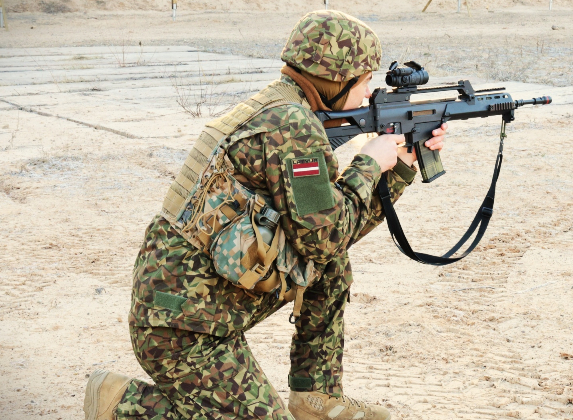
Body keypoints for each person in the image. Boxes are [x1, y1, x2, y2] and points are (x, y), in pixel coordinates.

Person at [83, 10, 446, 420]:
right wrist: (368, 164)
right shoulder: (292, 125)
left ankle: (317, 397)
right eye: (363, 81)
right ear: (334, 78)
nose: (368, 94)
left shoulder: (279, 107)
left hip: (194, 300)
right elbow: (325, 235)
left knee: (328, 265)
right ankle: (119, 403)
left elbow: (329, 237)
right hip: (182, 326)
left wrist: (399, 166)